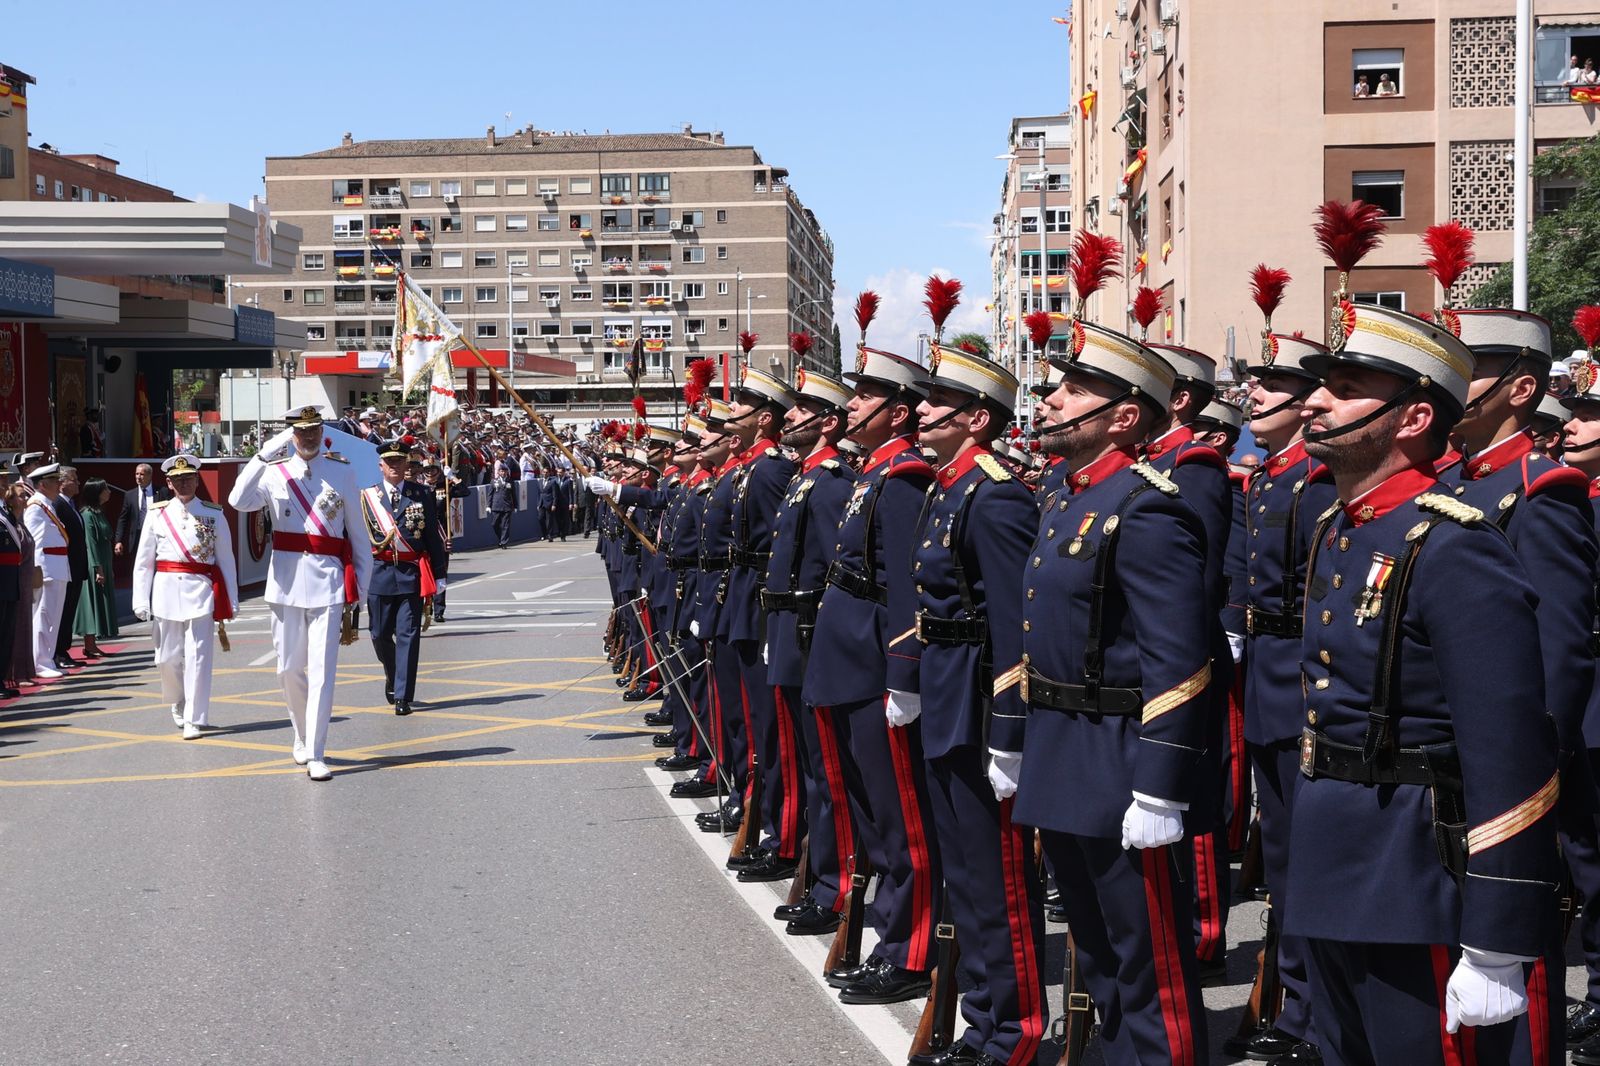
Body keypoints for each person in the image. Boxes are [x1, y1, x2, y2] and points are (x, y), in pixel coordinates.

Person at [1290, 302, 1559, 1064]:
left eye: (1344, 387)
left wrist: (1499, 937)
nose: (1316, 401)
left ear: (1411, 419)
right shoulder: (1342, 528)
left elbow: (1511, 754)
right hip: (1332, 857)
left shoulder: (1452, 548)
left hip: (1415, 873)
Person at [1015, 322, 1211, 1066]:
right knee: (1098, 949)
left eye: (1072, 390)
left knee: (1147, 953)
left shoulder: (1147, 506)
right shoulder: (1065, 498)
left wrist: (1159, 787)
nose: (1051, 399)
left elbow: (1178, 659)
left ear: (1123, 416)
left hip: (1121, 755)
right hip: (1064, 746)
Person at [897, 340, 1047, 1066]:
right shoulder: (948, 486)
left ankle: (1014, 1032)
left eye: (937, 402)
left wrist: (1010, 732)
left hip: (983, 706)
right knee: (968, 875)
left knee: (999, 881)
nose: (920, 410)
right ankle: (984, 1019)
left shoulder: (995, 496)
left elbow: (1019, 626)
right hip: (947, 693)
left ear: (977, 419)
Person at [805, 341, 942, 1004]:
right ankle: (891, 937)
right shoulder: (873, 473)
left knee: (899, 820)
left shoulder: (905, 478)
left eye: (862, 396)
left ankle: (910, 950)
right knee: (872, 815)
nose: (850, 404)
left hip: (873, 667)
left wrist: (904, 675)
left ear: (897, 410)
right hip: (847, 661)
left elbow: (906, 588)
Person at [1224, 332, 1340, 1065]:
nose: (1253, 396)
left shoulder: (1319, 477)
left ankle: (1317, 1013)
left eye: (1269, 386)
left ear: (1306, 403)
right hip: (1266, 672)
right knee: (1287, 857)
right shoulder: (1271, 475)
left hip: (1304, 677)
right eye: (1254, 384)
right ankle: (1298, 1002)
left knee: (1313, 856)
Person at [761, 369, 858, 937]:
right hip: (790, 635)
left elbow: (832, 575)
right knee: (812, 766)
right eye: (790, 409)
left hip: (809, 636)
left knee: (826, 773)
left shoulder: (829, 483)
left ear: (828, 422)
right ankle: (823, 876)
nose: (789, 416)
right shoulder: (806, 479)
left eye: (802, 411)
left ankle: (835, 886)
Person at [228, 405, 373, 781]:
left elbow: (358, 536)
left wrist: (362, 591)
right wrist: (262, 454)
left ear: (321, 432)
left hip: (328, 584)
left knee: (323, 672)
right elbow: (238, 501)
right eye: (301, 432)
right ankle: (301, 733)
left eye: (314, 430)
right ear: (290, 435)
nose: (308, 438)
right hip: (286, 583)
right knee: (288, 668)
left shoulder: (342, 472)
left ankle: (317, 751)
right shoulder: (274, 474)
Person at [132, 455, 239, 739]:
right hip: (165, 591)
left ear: (196, 480)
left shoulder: (213, 514)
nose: (184, 483)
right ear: (168, 482)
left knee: (199, 657)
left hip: (200, 591)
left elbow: (226, 559)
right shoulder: (156, 514)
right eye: (178, 479)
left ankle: (194, 716)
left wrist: (232, 597)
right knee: (165, 658)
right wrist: (140, 598)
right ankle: (178, 698)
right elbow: (144, 561)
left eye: (188, 478)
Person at [362, 438, 445, 715]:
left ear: (406, 463)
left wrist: (440, 575)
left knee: (408, 635)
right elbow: (358, 541)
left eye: (400, 461)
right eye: (390, 462)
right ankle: (392, 673)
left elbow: (433, 537)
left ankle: (402, 695)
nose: (395, 466)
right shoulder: (367, 496)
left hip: (411, 575)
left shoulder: (421, 494)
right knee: (378, 634)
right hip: (379, 574)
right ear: (381, 466)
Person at [24, 464, 70, 680]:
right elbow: (34, 542)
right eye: (54, 481)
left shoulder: (47, 506)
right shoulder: (35, 507)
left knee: (52, 619)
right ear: (42, 485)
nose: (59, 484)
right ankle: (39, 662)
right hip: (47, 571)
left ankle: (47, 659)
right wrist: (36, 572)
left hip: (57, 568)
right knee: (43, 618)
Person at [72, 478, 118, 658]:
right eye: (105, 489)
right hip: (95, 565)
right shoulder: (88, 515)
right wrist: (98, 569)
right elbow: (90, 544)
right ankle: (89, 645)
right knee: (92, 604)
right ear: (97, 492)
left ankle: (92, 645)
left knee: (99, 602)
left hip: (104, 563)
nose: (109, 492)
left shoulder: (99, 512)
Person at [53, 466, 88, 671]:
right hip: (66, 567)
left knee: (69, 611)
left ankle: (63, 649)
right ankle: (58, 652)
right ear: (62, 482)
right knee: (63, 611)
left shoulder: (70, 504)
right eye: (74, 480)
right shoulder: (58, 505)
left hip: (75, 567)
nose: (78, 483)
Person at [8, 483, 35, 689]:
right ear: (10, 501)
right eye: (20, 496)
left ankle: (25, 670)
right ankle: (15, 673)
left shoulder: (21, 523)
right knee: (16, 628)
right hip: (15, 582)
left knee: (25, 626)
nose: (25, 499)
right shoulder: (10, 525)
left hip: (25, 581)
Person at [114, 463, 168, 559]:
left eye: (141, 474)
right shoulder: (129, 495)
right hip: (136, 538)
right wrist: (118, 541)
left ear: (150, 475)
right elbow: (123, 519)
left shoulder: (162, 492)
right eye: (136, 474)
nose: (138, 477)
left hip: (156, 536)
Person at [0, 477, 22, 699]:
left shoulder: (5, 513)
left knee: (6, 634)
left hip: (9, 581)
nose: (4, 485)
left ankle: (2, 679)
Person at [488, 459, 517, 549]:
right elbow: (490, 494)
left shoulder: (510, 481)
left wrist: (515, 506)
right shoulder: (494, 481)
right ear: (499, 472)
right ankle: (501, 538)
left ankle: (504, 542)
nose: (503, 473)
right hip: (496, 506)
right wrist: (488, 505)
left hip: (507, 506)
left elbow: (514, 494)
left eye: (504, 471)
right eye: (501, 471)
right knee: (494, 524)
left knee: (505, 525)